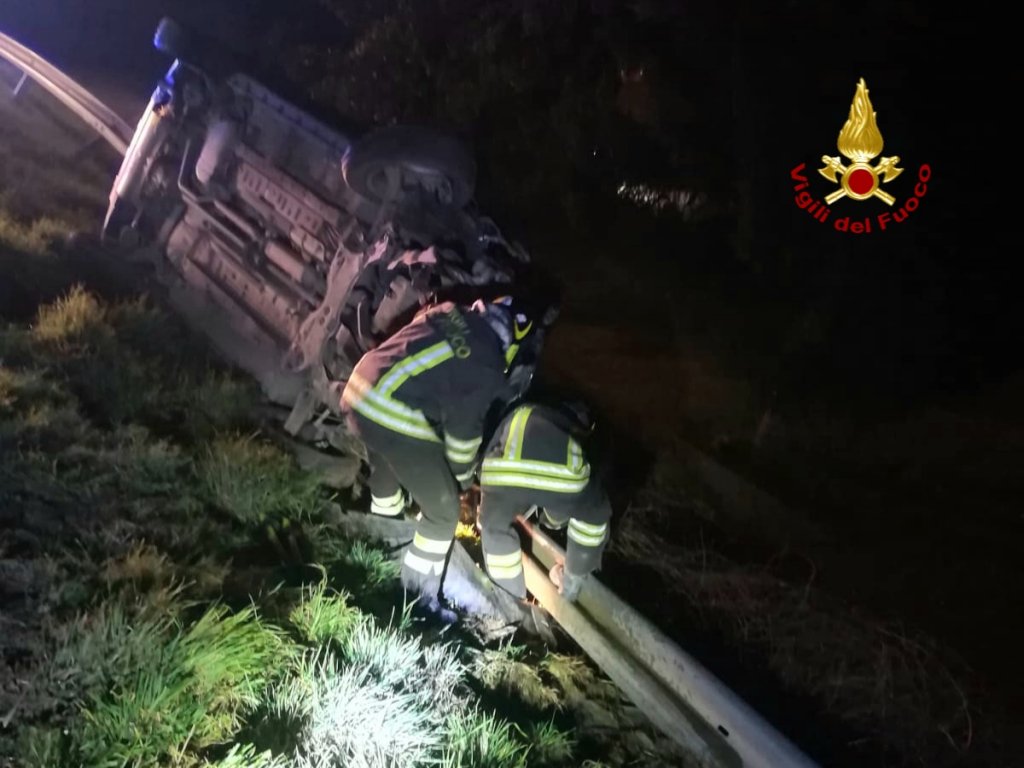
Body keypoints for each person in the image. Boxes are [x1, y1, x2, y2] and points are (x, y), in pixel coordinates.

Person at [339, 295, 541, 603]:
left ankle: (380, 543)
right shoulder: (486, 363)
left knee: (387, 472)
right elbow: (463, 436)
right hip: (388, 409)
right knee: (443, 513)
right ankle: (415, 595)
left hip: (359, 388)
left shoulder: (448, 311)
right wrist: (459, 480)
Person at [477, 400, 612, 603]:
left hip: (504, 473)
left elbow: (488, 454)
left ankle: (510, 599)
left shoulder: (516, 411)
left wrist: (488, 504)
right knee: (589, 513)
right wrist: (575, 573)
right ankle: (570, 584)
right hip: (564, 478)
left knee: (494, 528)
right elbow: (592, 512)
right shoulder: (574, 425)